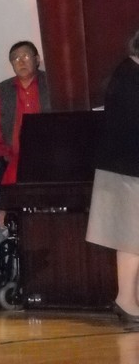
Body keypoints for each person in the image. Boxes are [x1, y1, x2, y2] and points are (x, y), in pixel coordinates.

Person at [86, 29, 139, 326]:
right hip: (127, 169)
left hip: (128, 167)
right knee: (132, 236)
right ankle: (126, 299)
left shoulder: (129, 71)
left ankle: (132, 298)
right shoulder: (129, 76)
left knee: (133, 236)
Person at [0, 41, 51, 184]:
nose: (21, 62)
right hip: (13, 162)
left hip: (50, 160)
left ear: (37, 59)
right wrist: (5, 155)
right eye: (15, 58)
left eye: (25, 56)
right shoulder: (3, 89)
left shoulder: (51, 83)